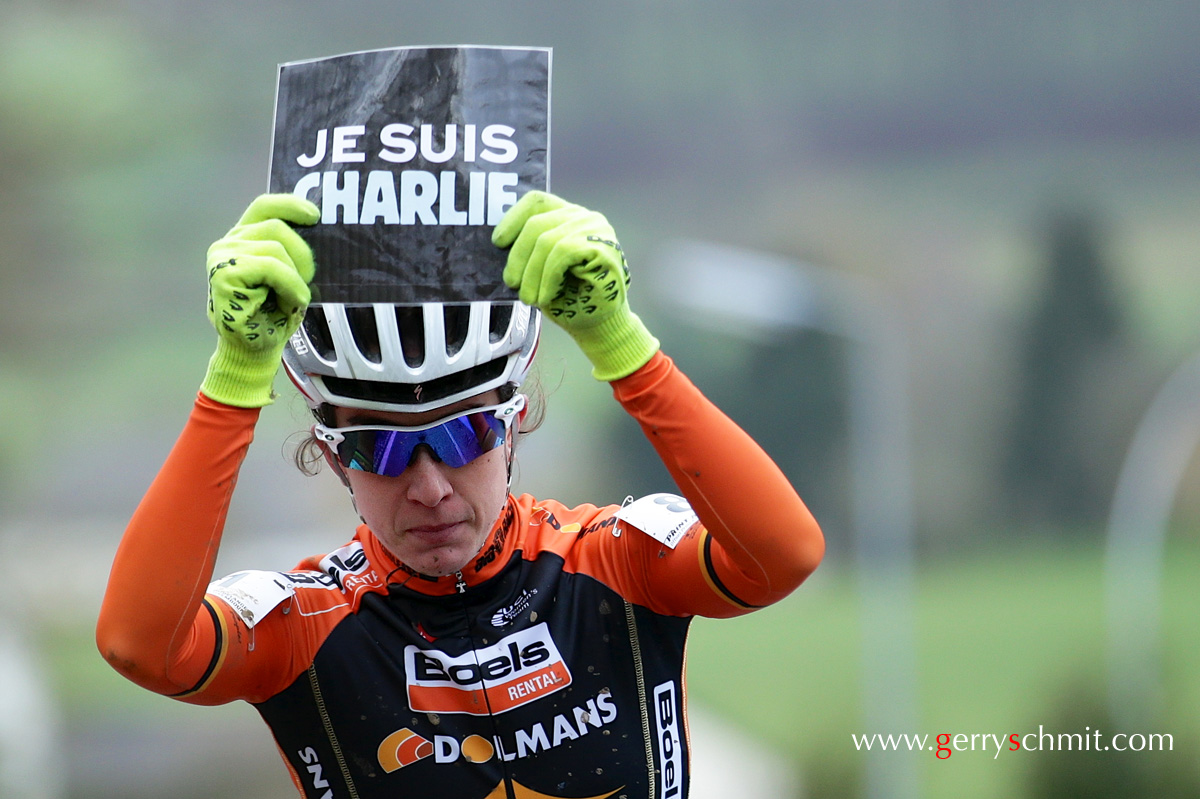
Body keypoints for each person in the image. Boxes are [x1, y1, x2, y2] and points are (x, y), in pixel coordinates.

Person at [96, 189, 825, 799]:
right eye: (377, 448)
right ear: (331, 457)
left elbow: (783, 555)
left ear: (513, 428)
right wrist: (235, 375)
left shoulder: (611, 561)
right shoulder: (305, 626)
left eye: (463, 435)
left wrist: (618, 341)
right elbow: (140, 647)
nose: (430, 486)